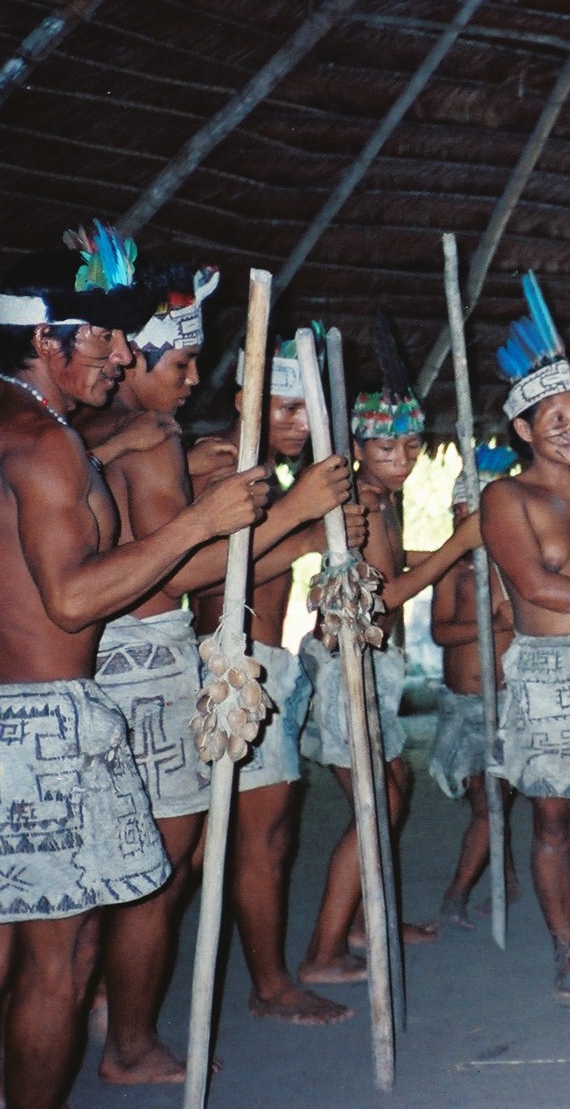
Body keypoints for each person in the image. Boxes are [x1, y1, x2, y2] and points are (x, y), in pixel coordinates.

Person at [0, 226, 266, 1109]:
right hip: (39, 723)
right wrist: (199, 522)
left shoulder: (24, 430)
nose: (121, 353)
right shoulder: (43, 444)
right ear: (49, 341)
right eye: (105, 336)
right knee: (60, 959)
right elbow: (73, 601)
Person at [80, 264, 357, 1080]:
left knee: (172, 859)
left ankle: (110, 1006)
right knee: (173, 865)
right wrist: (301, 518)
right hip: (182, 666)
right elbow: (189, 570)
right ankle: (186, 1012)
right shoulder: (179, 450)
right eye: (181, 366)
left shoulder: (122, 441)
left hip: (156, 667)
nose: (193, 380)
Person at [298, 315, 478, 983]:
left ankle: (363, 918)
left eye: (410, 448)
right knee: (380, 806)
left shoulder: (380, 500)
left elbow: (396, 562)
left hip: (374, 669)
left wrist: (465, 555)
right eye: (387, 451)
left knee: (389, 792)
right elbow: (384, 595)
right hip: (349, 667)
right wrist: (460, 548)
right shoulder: (359, 505)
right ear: (355, 448)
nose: (400, 461)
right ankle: (323, 949)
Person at [191, 331, 363, 1026]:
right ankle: (269, 986)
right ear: (245, 400)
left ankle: (120, 992)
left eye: (305, 412)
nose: (296, 425)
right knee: (254, 840)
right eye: (283, 409)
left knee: (228, 840)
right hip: (231, 664)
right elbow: (213, 563)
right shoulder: (223, 464)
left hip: (268, 663)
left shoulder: (271, 474)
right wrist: (312, 533)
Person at [477, 275, 570, 1004]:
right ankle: (565, 936)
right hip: (548, 670)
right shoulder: (506, 497)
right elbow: (534, 586)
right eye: (554, 417)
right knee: (556, 816)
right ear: (524, 431)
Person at [430, 445, 519, 929]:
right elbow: (441, 633)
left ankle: (457, 894)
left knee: (492, 803)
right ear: (455, 514)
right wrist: (489, 622)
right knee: (486, 802)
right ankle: (502, 877)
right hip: (462, 705)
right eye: (468, 513)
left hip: (505, 703)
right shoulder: (451, 570)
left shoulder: (514, 569)